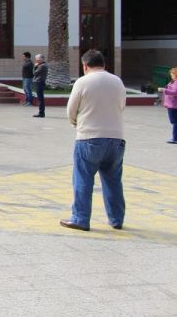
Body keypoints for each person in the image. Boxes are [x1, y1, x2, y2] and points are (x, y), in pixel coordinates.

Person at [60, 49, 127, 231]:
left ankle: (80, 218)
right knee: (113, 180)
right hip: (116, 138)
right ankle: (116, 219)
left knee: (83, 178)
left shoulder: (83, 82)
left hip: (89, 137)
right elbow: (122, 106)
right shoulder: (117, 81)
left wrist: (77, 124)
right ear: (104, 64)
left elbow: (71, 110)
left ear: (85, 65)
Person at [158, 67, 177, 144]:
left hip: (173, 105)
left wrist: (164, 90)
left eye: (172, 74)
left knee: (175, 122)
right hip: (172, 104)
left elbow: (175, 92)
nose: (171, 75)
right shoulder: (173, 82)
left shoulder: (176, 82)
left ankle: (175, 138)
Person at [33, 54, 48, 118]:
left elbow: (34, 73)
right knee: (40, 98)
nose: (36, 61)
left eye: (38, 59)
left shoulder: (42, 66)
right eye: (36, 59)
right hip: (40, 82)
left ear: (41, 59)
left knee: (40, 99)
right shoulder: (43, 65)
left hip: (39, 82)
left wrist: (35, 67)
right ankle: (41, 112)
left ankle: (41, 113)